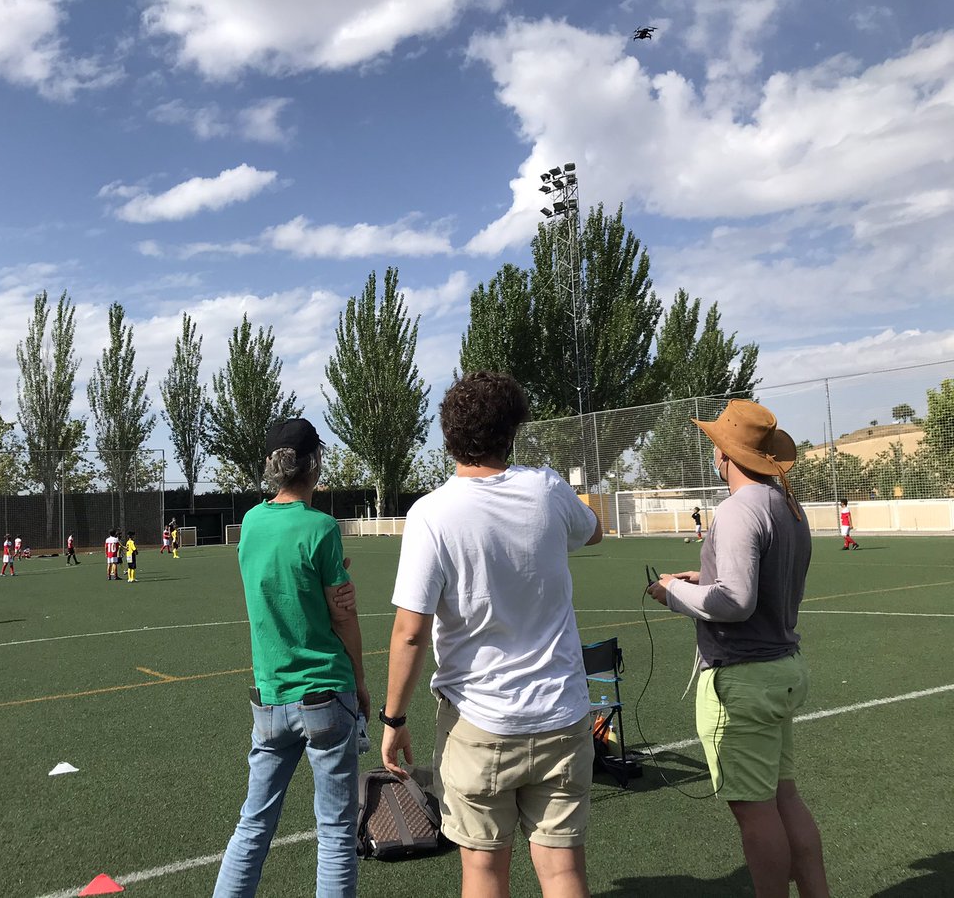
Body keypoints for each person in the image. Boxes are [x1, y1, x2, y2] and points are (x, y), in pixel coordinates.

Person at [381, 372, 602, 898]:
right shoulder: (547, 488)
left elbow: (411, 632)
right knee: (563, 871)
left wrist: (394, 719)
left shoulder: (431, 513)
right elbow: (592, 530)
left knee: (483, 873)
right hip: (561, 713)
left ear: (448, 434)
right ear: (512, 430)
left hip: (478, 723)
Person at [647, 399, 830, 898]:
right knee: (784, 797)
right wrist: (701, 577)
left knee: (755, 813)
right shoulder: (787, 507)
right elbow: (756, 583)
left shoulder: (736, 511)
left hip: (744, 680)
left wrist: (674, 593)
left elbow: (735, 600)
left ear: (724, 455)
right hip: (783, 668)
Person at [214, 418, 369, 898]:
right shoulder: (321, 528)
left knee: (253, 825)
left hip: (270, 697)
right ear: (314, 463)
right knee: (337, 834)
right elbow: (342, 618)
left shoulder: (252, 524)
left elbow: (281, 590)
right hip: (325, 693)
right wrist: (361, 684)